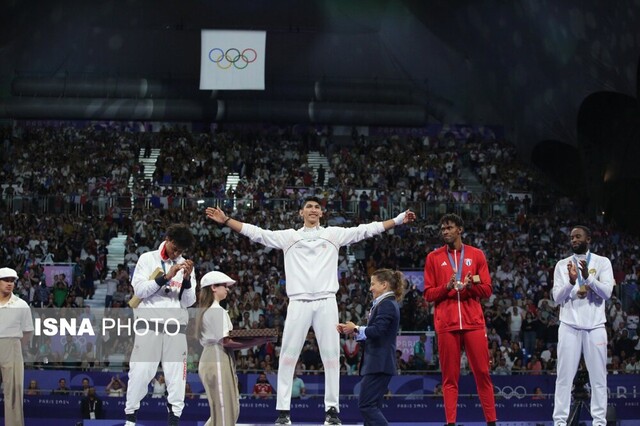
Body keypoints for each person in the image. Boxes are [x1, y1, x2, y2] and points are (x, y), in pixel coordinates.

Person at [206, 197, 415, 425]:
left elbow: (365, 230)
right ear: (301, 213)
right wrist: (226, 220)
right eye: (309, 207)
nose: (313, 210)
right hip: (298, 302)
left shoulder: (333, 234)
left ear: (322, 213)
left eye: (317, 207)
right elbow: (257, 233)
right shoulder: (289, 237)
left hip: (326, 301)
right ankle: (283, 413)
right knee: (287, 356)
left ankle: (332, 412)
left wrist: (398, 219)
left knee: (332, 357)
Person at [423, 214, 497, 426]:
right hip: (447, 324)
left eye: (449, 227)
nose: (445, 231)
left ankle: (491, 422)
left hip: (473, 323)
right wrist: (446, 288)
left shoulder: (476, 255)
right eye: (442, 228)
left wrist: (470, 286)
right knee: (449, 378)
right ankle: (451, 423)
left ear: (460, 230)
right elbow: (428, 294)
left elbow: (488, 289)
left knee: (482, 373)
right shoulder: (433, 258)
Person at [124, 224, 196, 426]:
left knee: (177, 377)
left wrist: (188, 279)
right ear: (167, 239)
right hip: (149, 326)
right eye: (175, 249)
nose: (177, 254)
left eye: (181, 251)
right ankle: (130, 419)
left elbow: (189, 301)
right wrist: (165, 277)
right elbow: (139, 290)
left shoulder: (185, 264)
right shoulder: (147, 259)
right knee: (140, 373)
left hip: (176, 329)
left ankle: (174, 421)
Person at [552, 225, 614, 426]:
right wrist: (571, 283)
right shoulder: (562, 265)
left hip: (595, 326)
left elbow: (607, 293)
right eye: (571, 237)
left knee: (598, 379)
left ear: (588, 239)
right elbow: (556, 297)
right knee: (564, 378)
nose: (573, 240)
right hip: (569, 325)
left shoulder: (602, 262)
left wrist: (588, 277)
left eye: (578, 236)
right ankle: (560, 422)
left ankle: (599, 422)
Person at [196, 271, 273, 426]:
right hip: (217, 356)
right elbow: (226, 341)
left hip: (216, 356)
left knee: (226, 410)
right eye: (224, 286)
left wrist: (257, 339)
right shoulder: (216, 310)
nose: (228, 289)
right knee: (225, 410)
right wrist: (258, 340)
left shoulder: (210, 310)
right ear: (213, 288)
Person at [337, 268, 404, 426]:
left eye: (373, 284)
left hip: (378, 364)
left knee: (366, 406)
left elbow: (378, 331)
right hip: (378, 363)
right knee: (372, 407)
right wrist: (354, 332)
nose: (370, 288)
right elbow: (376, 333)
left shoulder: (387, 304)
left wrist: (356, 328)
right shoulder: (385, 303)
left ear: (384, 285)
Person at [0, 267, 34, 426]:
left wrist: (14, 345)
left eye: (12, 281)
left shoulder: (22, 305)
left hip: (12, 345)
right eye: (6, 280)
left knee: (13, 392)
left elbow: (28, 332)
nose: (9, 283)